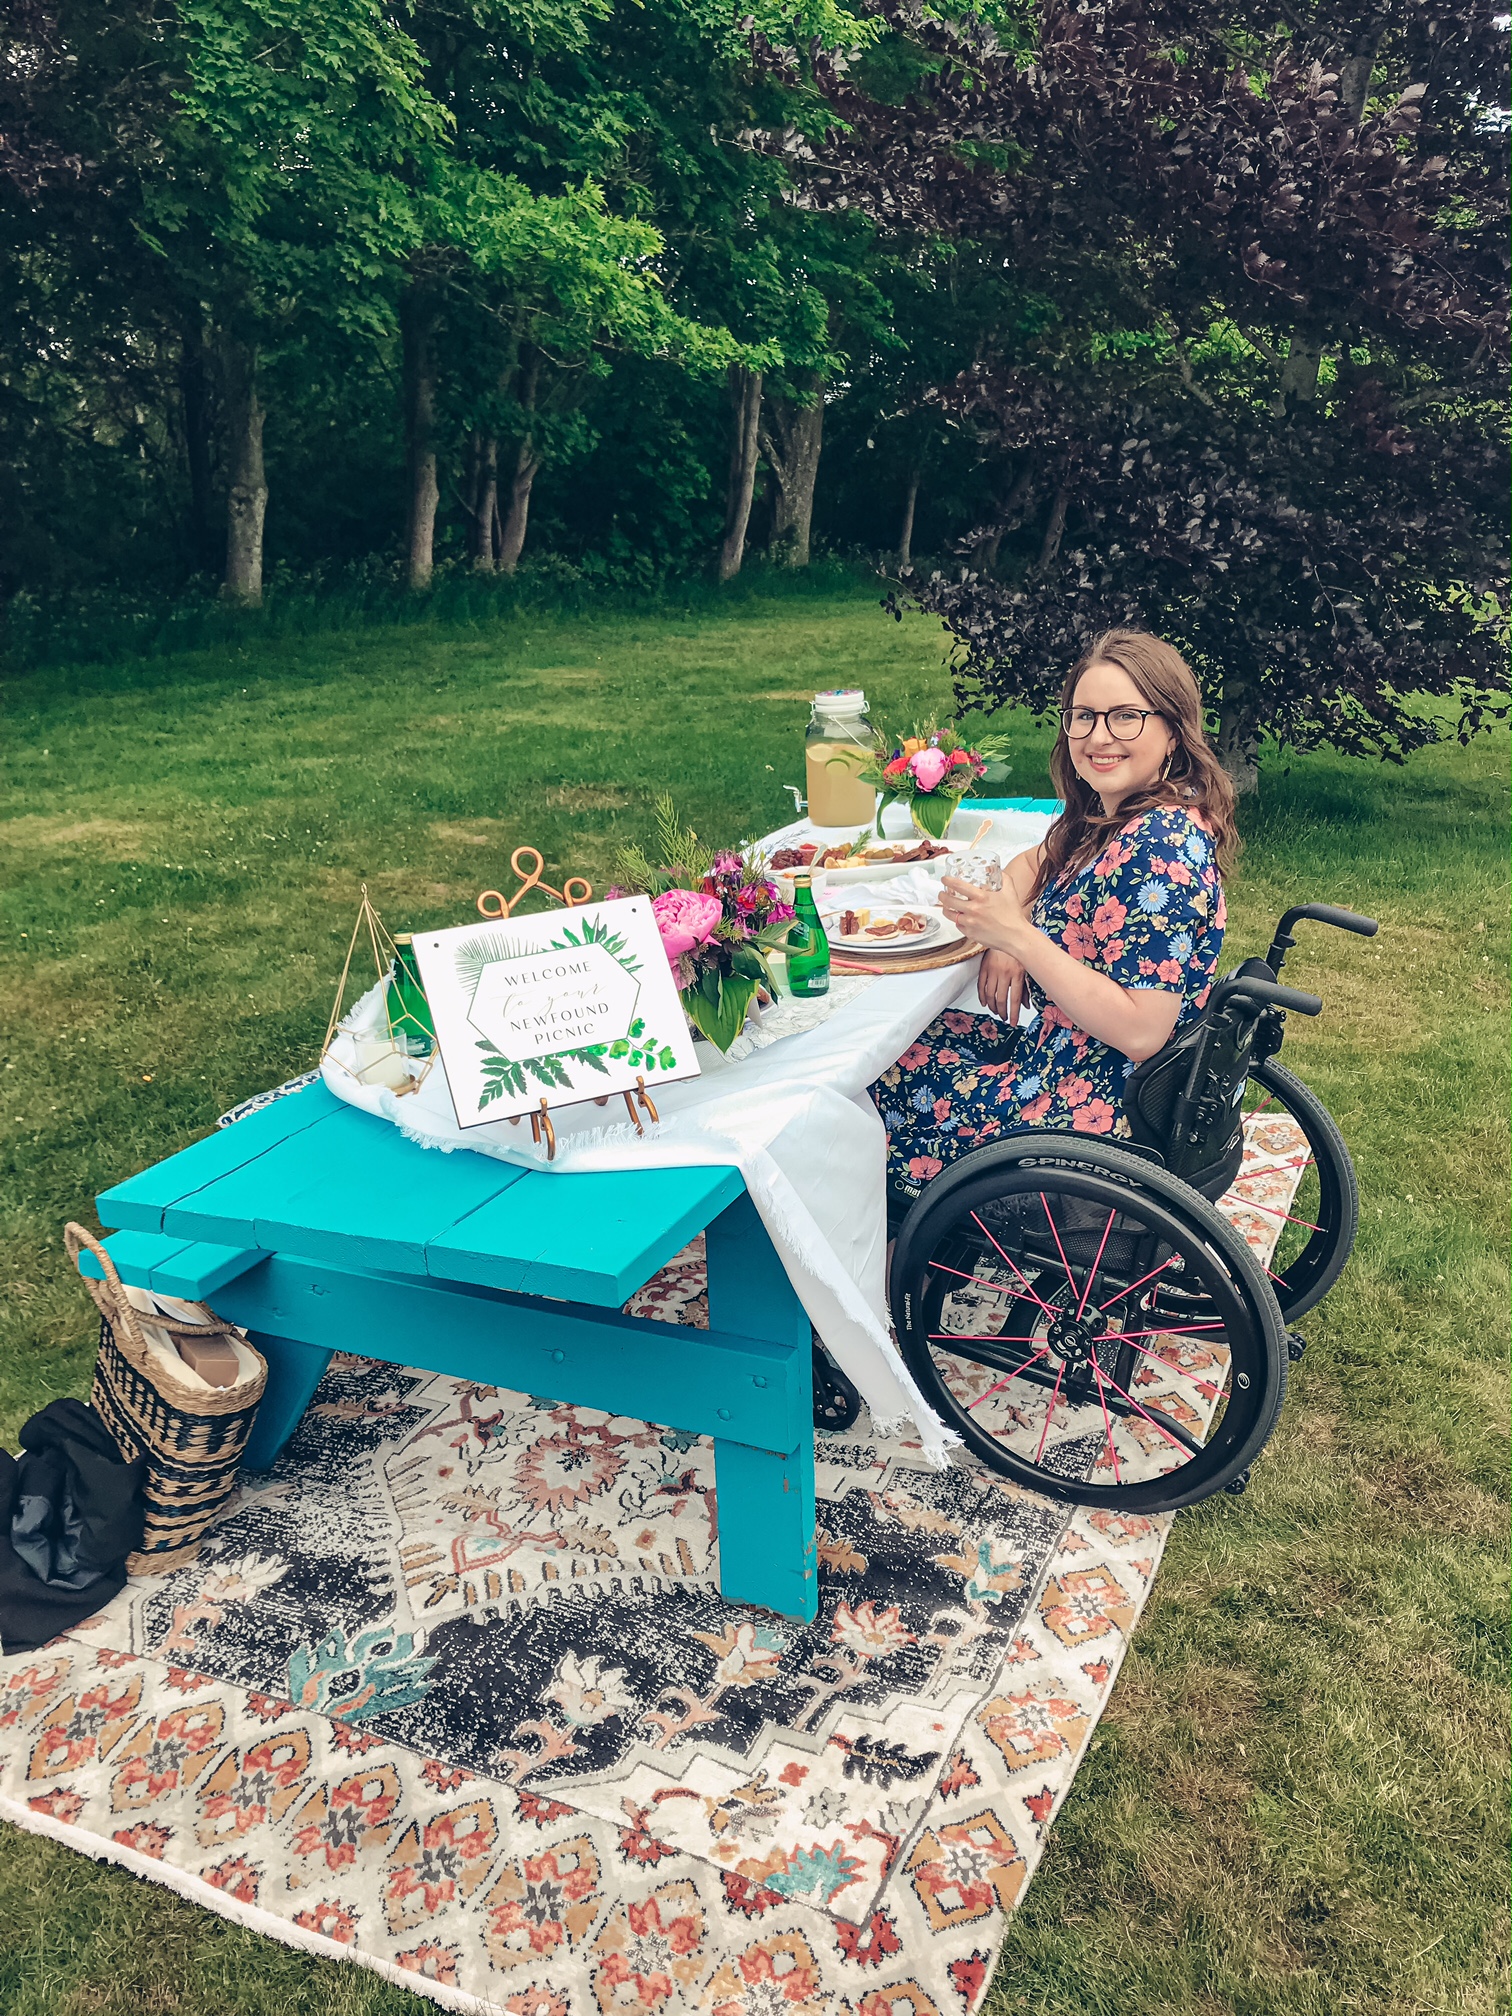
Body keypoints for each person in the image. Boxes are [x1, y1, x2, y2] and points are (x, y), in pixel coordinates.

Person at [870, 628, 1240, 1209]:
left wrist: (1018, 935)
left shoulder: (1157, 849)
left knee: (869, 1091)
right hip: (1060, 1060)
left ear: (1172, 731)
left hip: (1090, 1116)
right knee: (893, 1047)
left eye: (1126, 717)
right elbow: (1026, 865)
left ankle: (886, 1258)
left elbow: (1143, 1031)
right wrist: (1005, 942)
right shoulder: (1107, 820)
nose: (1099, 736)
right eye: (1084, 716)